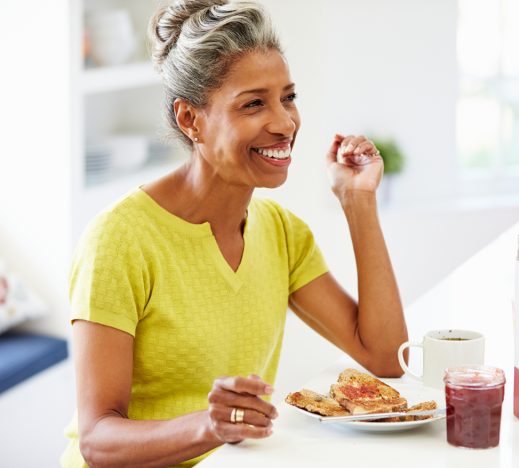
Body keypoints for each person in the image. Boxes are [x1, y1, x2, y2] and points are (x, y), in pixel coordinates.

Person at [61, 1, 408, 466]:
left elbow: (387, 357)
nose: (285, 123)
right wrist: (210, 425)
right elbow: (97, 440)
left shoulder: (282, 234)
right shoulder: (120, 240)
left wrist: (358, 201)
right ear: (190, 119)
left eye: (288, 96)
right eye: (253, 104)